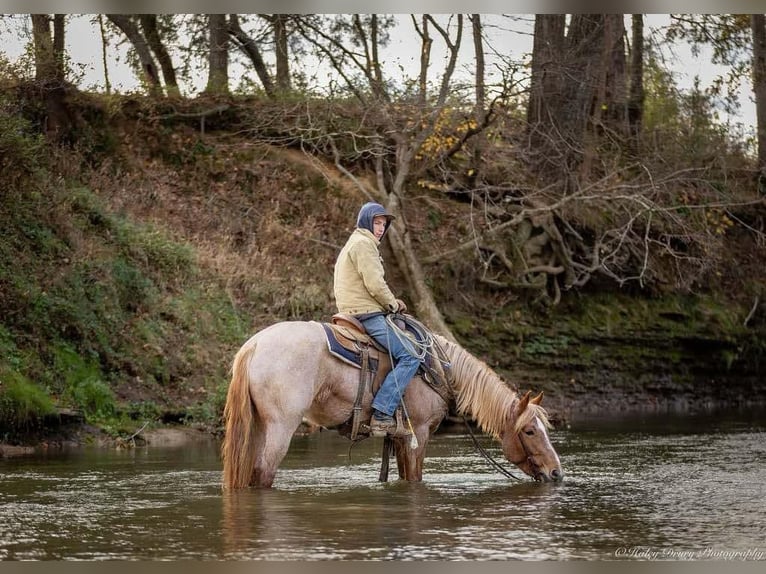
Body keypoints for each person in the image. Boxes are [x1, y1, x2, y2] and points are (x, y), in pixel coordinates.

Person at [333, 201, 421, 437]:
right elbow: (375, 284)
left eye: (384, 224)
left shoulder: (355, 242)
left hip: (352, 309)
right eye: (377, 222)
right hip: (366, 312)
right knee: (411, 354)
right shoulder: (364, 244)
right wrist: (393, 304)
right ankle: (382, 413)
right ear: (365, 222)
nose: (381, 228)